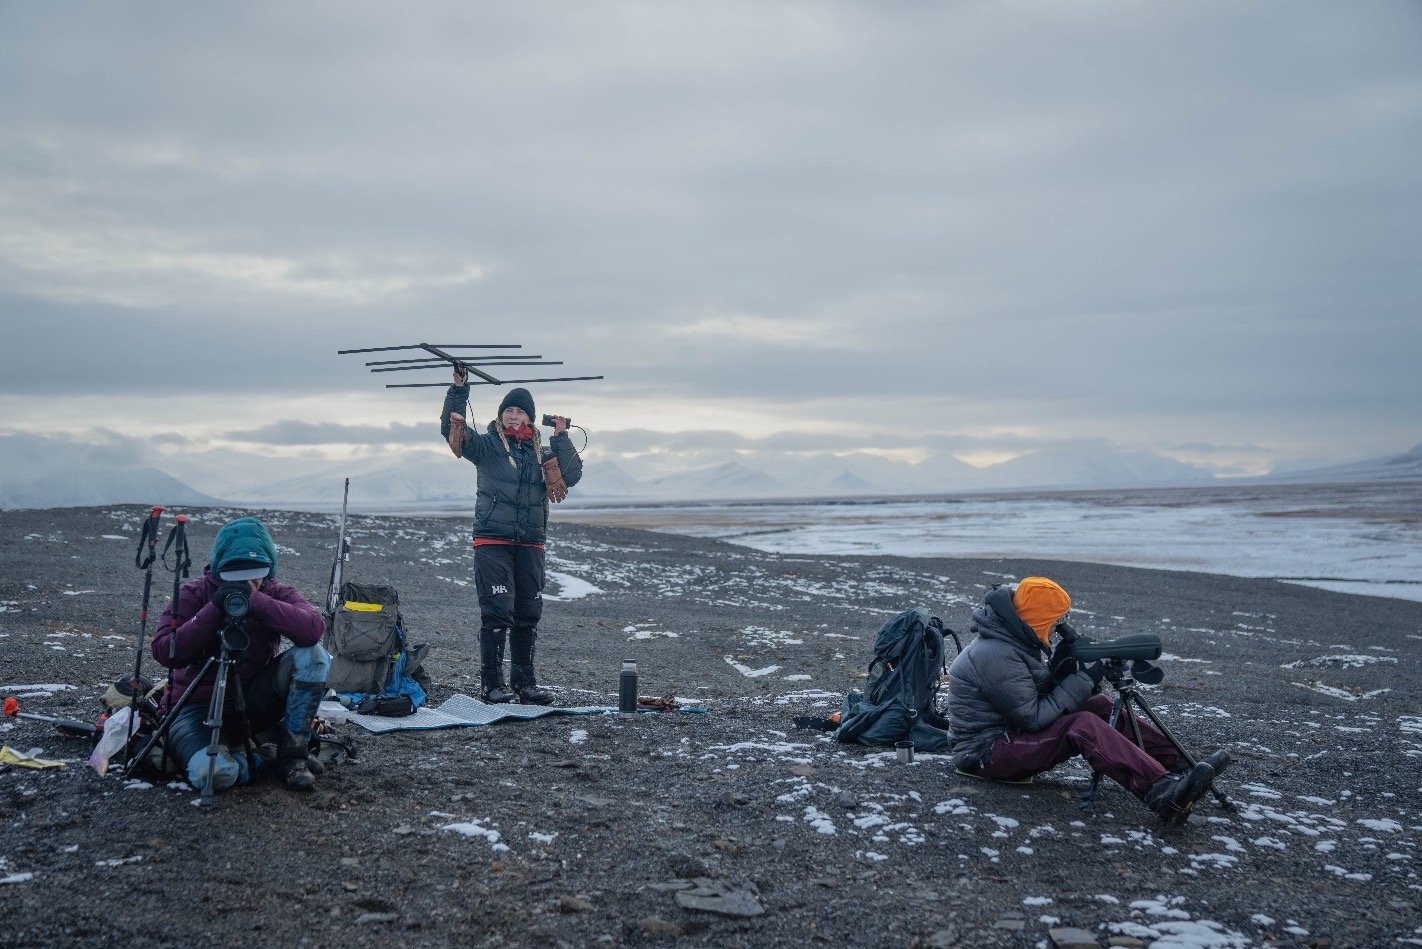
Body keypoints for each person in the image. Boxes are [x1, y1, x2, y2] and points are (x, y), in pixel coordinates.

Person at [945, 577, 1230, 825]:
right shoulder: (995, 655)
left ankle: (1182, 766)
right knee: (1083, 725)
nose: (1059, 627)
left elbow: (1030, 694)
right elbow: (1031, 718)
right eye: (1056, 622)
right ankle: (1162, 793)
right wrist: (1080, 681)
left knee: (1100, 707)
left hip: (1009, 734)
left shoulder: (1011, 639)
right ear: (1039, 621)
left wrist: (1063, 669)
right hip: (986, 753)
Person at [152, 516, 329, 794]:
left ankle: (292, 757)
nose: (248, 581)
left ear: (268, 567)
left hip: (251, 703)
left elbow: (312, 630)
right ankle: (261, 758)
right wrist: (215, 608)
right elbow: (165, 651)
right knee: (212, 774)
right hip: (194, 708)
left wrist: (256, 601)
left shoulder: (275, 592)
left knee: (315, 657)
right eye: (236, 574)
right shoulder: (194, 593)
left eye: (256, 572)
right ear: (220, 568)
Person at [441, 366, 583, 705]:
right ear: (501, 416)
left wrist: (561, 436)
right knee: (497, 609)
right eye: (508, 411)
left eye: (519, 411)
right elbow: (452, 430)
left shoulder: (542, 453)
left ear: (530, 418)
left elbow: (573, 475)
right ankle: (492, 685)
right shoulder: (488, 446)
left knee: (527, 612)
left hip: (531, 542)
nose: (513, 416)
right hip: (493, 540)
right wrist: (459, 390)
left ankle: (525, 684)